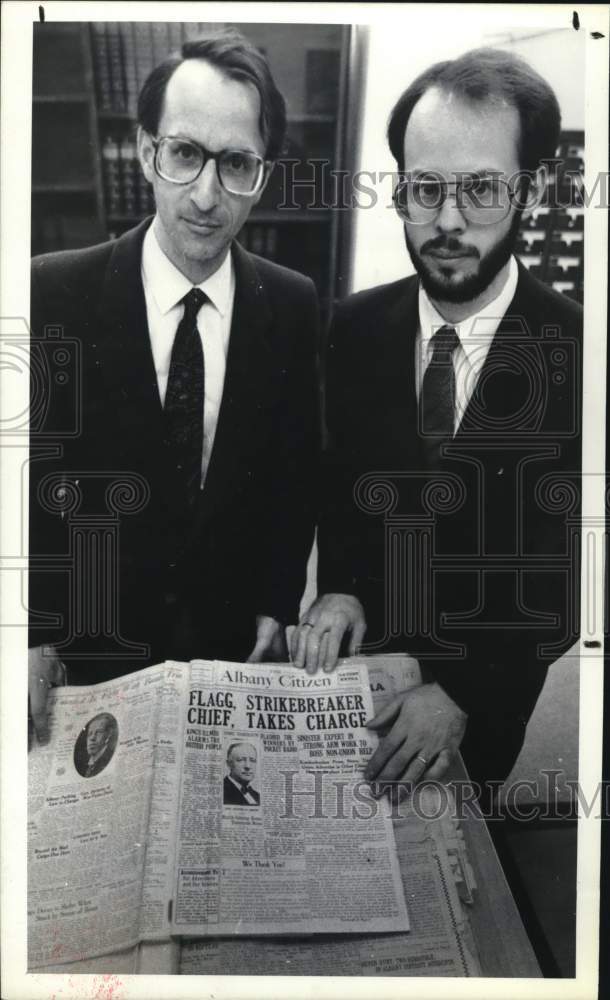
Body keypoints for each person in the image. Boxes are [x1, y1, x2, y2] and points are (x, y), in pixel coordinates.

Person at [292, 48, 582, 796]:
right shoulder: (350, 329)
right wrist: (343, 589)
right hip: (359, 682)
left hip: (480, 708)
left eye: (482, 189)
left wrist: (462, 694)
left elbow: (567, 584)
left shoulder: (584, 358)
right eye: (426, 188)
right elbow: (343, 496)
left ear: (535, 189)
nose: (448, 221)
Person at [28, 29, 320, 738]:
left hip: (228, 650)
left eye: (236, 164)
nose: (206, 195)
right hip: (88, 655)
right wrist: (30, 631)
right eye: (185, 154)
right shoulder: (50, 293)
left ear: (263, 173)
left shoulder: (293, 301)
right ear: (145, 151)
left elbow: (294, 472)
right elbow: (25, 482)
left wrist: (278, 602)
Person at [74, 713, 118, 778]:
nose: (92, 738)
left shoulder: (109, 760)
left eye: (99, 732)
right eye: (90, 734)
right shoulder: (85, 766)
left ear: (108, 734)